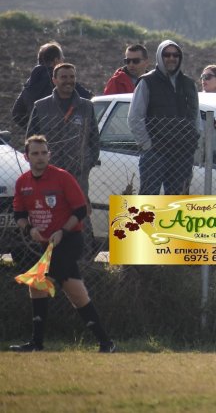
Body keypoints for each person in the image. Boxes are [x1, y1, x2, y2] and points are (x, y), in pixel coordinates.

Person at [10, 135, 115, 353]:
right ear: (26, 157)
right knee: (75, 291)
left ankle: (37, 343)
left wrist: (62, 231)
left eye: (44, 153)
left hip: (68, 240)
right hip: (45, 245)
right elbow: (19, 213)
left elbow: (80, 210)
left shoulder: (62, 177)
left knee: (39, 282)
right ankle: (106, 342)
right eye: (35, 154)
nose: (40, 158)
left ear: (49, 154)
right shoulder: (22, 182)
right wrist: (30, 230)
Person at [127, 40, 201, 195]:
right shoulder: (147, 82)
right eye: (167, 54)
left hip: (182, 154)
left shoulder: (189, 84)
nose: (171, 58)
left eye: (176, 55)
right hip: (156, 153)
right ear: (160, 57)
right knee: (147, 202)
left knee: (177, 203)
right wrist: (148, 145)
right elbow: (135, 117)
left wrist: (193, 143)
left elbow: (195, 116)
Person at [26, 63, 100, 209]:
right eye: (63, 77)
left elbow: (94, 139)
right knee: (51, 214)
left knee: (80, 217)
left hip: (78, 175)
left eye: (72, 77)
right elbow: (30, 140)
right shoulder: (41, 106)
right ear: (54, 80)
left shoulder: (86, 106)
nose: (68, 80)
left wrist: (87, 163)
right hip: (49, 173)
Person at [11, 41, 93, 128]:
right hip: (60, 134)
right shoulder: (61, 80)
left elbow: (17, 113)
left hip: (40, 139)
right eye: (62, 59)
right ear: (56, 61)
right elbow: (89, 97)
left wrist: (35, 129)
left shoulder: (30, 83)